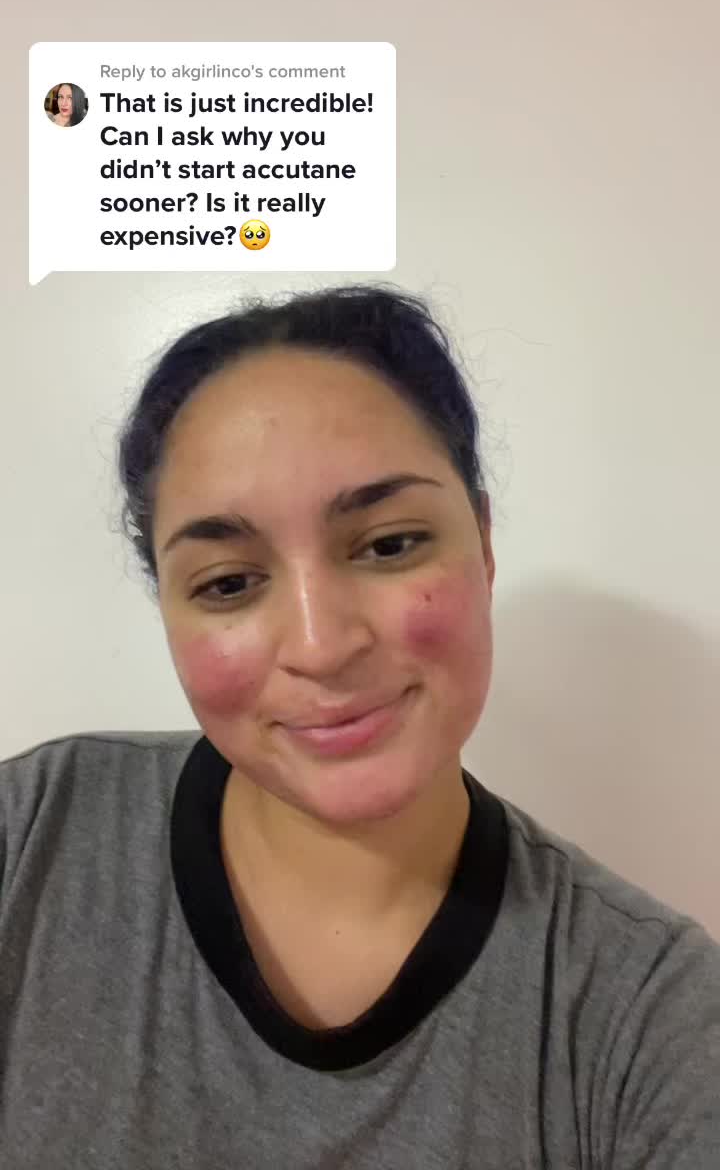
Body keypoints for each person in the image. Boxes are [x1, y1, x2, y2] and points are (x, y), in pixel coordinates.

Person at [1, 284, 718, 1168]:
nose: (321, 646)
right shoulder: (28, 838)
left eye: (388, 544)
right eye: (229, 583)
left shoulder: (650, 1016)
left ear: (484, 543)